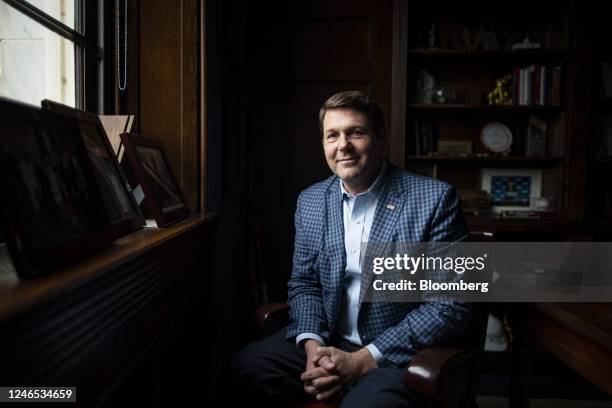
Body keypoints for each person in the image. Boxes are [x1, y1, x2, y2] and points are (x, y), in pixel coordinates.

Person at [231, 91, 471, 407]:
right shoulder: (311, 201)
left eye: (355, 132)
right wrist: (314, 349)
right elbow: (304, 285)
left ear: (380, 139)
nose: (342, 145)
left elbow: (449, 306)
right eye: (332, 135)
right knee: (245, 369)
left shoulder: (435, 200)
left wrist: (360, 361)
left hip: (394, 351)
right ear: (324, 144)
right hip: (330, 339)